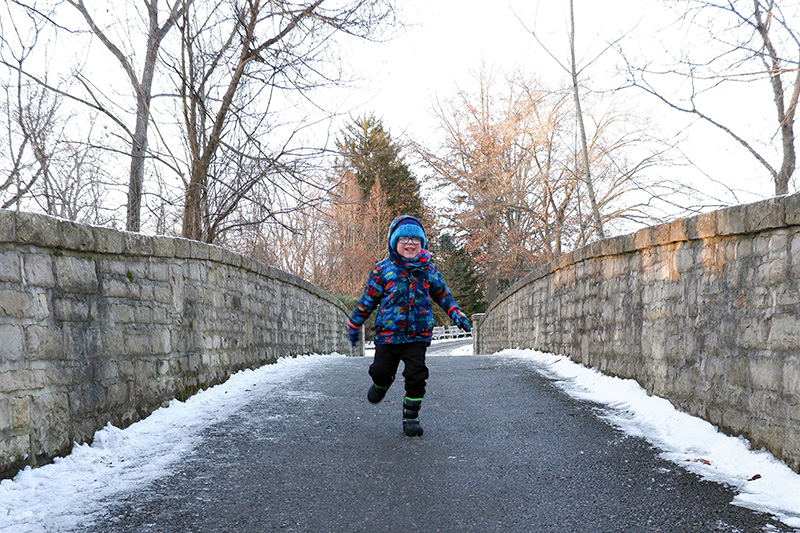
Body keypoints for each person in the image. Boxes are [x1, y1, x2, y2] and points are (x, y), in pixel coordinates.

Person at [347, 215, 471, 437]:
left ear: (422, 244)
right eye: (404, 238)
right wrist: (355, 323)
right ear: (394, 242)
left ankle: (411, 417)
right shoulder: (381, 270)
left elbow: (443, 295)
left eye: (416, 239)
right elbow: (368, 301)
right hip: (388, 336)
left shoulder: (428, 270)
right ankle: (382, 384)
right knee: (380, 371)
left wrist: (456, 312)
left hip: (417, 336)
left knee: (417, 375)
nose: (410, 243)